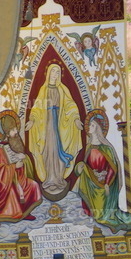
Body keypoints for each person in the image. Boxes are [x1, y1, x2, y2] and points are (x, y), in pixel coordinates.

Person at [26, 62, 84, 197]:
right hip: (46, 125)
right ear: (49, 73)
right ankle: (49, 179)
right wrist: (32, 120)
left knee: (59, 150)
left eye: (58, 72)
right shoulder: (43, 89)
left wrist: (75, 119)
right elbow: (37, 108)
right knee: (48, 150)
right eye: (53, 72)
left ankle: (58, 179)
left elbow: (71, 105)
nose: (55, 74)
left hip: (59, 122)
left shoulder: (63, 89)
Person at [75, 109, 131, 234]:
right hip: (92, 182)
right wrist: (80, 168)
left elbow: (113, 169)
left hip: (105, 183)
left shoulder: (106, 148)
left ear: (97, 128)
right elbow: (85, 166)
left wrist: (107, 183)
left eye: (92, 125)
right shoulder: (89, 147)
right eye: (89, 125)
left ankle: (110, 218)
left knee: (102, 216)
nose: (89, 127)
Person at [0, 109, 41, 228]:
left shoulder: (15, 144)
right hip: (6, 184)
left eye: (16, 129)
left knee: (33, 185)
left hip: (18, 178)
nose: (16, 132)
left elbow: (21, 167)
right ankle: (3, 216)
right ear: (6, 133)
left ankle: (26, 211)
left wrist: (23, 160)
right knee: (13, 192)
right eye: (12, 130)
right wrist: (13, 167)